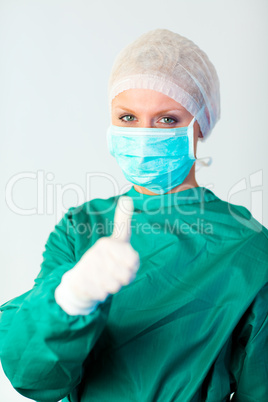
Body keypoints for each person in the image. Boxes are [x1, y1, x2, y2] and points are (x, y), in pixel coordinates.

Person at [0, 28, 268, 402]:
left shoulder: (250, 249)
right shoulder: (82, 227)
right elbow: (36, 379)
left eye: (167, 120)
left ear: (201, 125)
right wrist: (71, 300)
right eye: (127, 118)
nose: (144, 135)